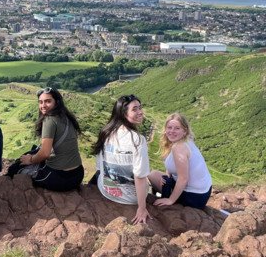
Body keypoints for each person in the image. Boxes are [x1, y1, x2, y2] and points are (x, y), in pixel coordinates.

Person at [93, 94, 151, 224]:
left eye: (140, 108)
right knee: (151, 174)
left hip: (106, 191)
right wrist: (142, 208)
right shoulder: (137, 140)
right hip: (130, 198)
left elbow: (99, 167)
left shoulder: (105, 132)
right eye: (134, 109)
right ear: (123, 114)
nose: (140, 112)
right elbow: (140, 176)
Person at [19, 87, 84, 191]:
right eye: (40, 102)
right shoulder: (66, 116)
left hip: (60, 178)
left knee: (18, 167)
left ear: (57, 102)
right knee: (34, 150)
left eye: (48, 101)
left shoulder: (49, 120)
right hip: (78, 175)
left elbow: (45, 153)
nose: (43, 105)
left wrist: (30, 160)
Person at [148, 113, 212, 209]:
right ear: (165, 129)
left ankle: (164, 198)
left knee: (152, 175)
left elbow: (183, 178)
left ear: (184, 131)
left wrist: (170, 200)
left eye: (177, 128)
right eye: (169, 127)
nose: (172, 131)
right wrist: (167, 177)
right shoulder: (187, 140)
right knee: (156, 175)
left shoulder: (179, 147)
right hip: (203, 193)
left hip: (193, 197)